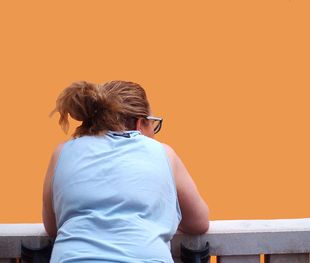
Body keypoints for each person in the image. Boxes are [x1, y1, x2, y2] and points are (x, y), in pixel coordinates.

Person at [42, 80, 209, 263]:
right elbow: (198, 222)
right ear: (139, 124)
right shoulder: (163, 153)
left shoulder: (62, 153)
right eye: (152, 124)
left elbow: (52, 227)